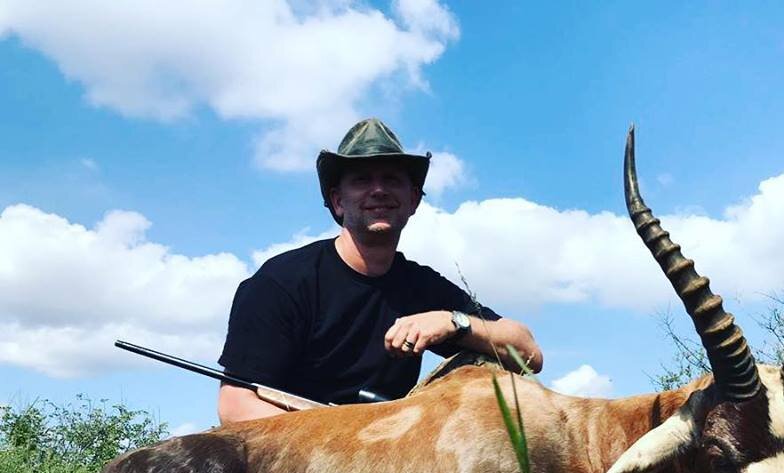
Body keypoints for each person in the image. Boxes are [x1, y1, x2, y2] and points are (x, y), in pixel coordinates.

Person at [217, 118, 543, 423]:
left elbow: (528, 353)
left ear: (413, 200)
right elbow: (234, 406)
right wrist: (342, 443)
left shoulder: (422, 287)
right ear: (338, 201)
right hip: (297, 464)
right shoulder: (281, 281)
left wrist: (452, 322)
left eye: (391, 179)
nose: (378, 190)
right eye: (362, 180)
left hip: (389, 459)